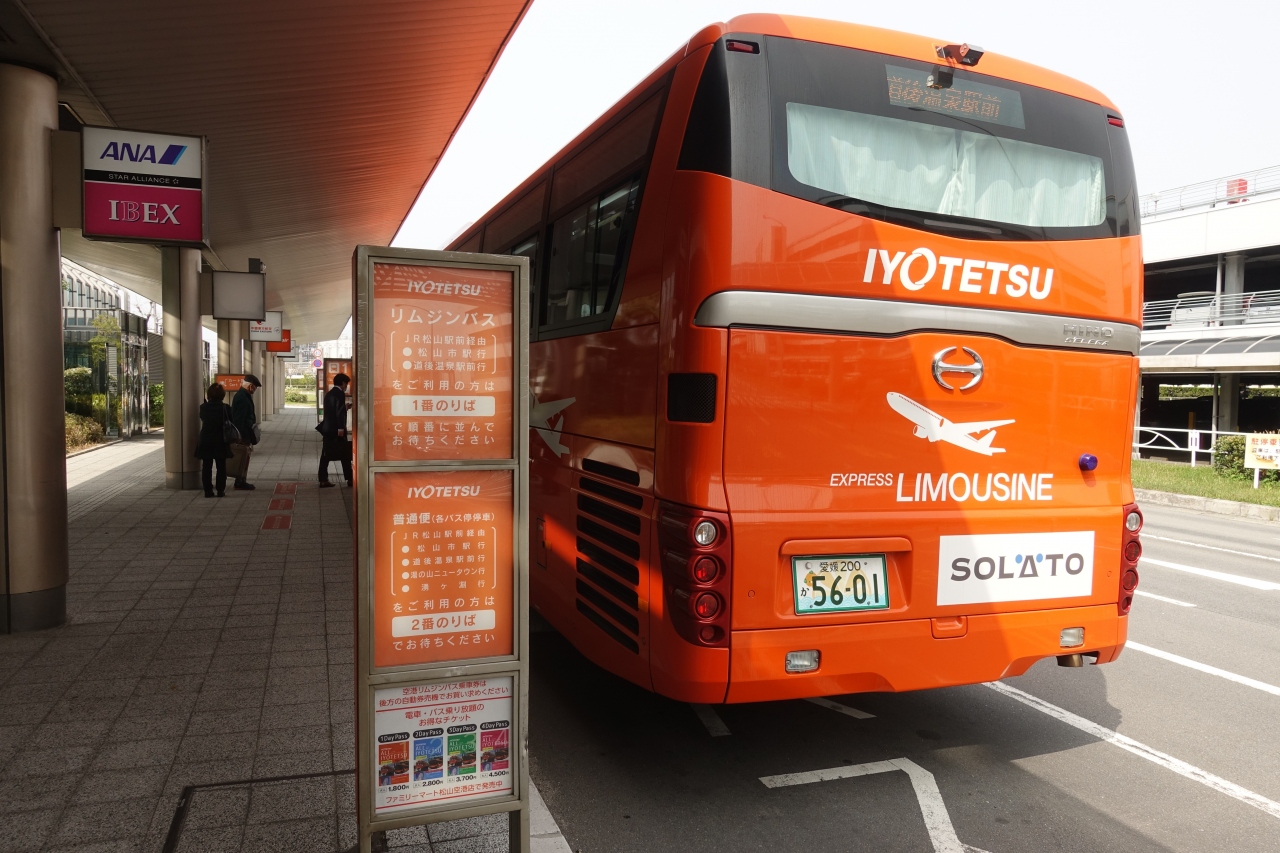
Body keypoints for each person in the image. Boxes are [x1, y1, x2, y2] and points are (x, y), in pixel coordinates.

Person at [195, 383, 233, 497]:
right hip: (221, 440)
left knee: (207, 466)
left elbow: (203, 418)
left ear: (209, 395)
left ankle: (208, 491)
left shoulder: (203, 407)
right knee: (221, 466)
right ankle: (220, 490)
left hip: (206, 439)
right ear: (222, 395)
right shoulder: (226, 408)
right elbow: (231, 420)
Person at [317, 372, 352, 487]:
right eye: (346, 384)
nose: (346, 386)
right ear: (343, 383)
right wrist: (341, 429)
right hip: (336, 430)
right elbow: (339, 413)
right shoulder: (340, 393)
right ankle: (350, 479)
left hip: (328, 429)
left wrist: (344, 408)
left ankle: (323, 479)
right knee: (345, 454)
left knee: (326, 454)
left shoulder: (330, 393)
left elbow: (333, 410)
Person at [230, 374, 260, 491]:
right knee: (243, 458)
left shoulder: (244, 395)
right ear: (250, 386)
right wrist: (240, 436)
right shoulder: (242, 398)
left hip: (245, 432)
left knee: (245, 457)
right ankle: (240, 481)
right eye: (255, 388)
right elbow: (239, 419)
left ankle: (241, 480)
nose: (255, 390)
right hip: (243, 433)